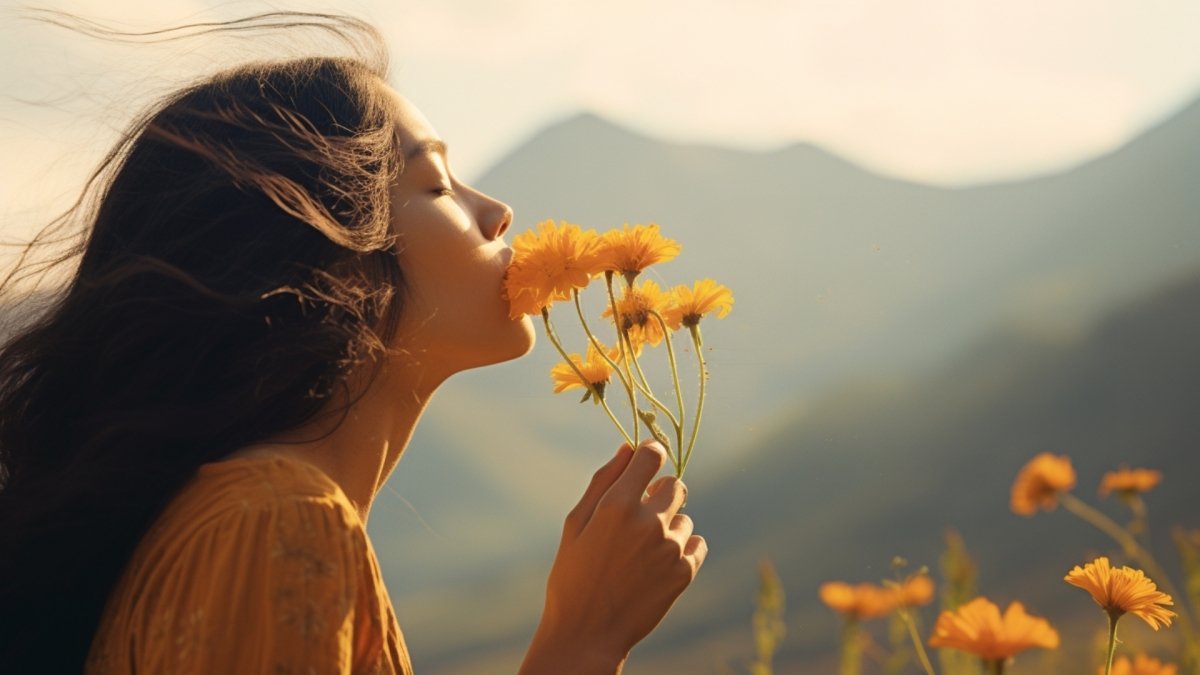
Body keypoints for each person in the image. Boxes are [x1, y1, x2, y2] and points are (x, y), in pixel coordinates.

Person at [0, 12, 706, 674]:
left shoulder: (255, 516)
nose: (496, 213)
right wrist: (582, 637)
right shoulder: (278, 521)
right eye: (435, 186)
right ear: (336, 257)